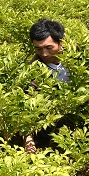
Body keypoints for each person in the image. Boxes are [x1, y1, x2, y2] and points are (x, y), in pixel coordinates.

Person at [25, 18, 70, 153]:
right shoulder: (33, 68)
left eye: (49, 48)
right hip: (52, 114)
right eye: (38, 49)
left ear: (61, 43)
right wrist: (28, 139)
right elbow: (27, 103)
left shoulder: (79, 57)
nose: (44, 54)